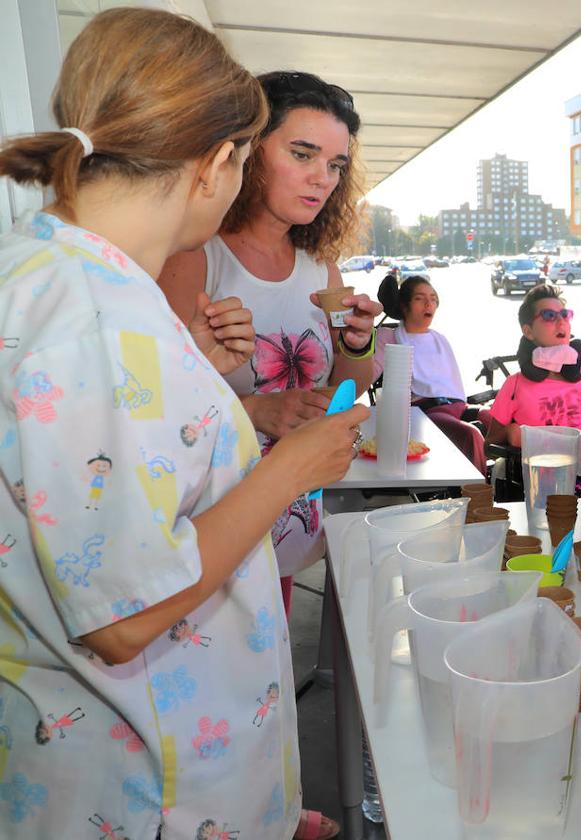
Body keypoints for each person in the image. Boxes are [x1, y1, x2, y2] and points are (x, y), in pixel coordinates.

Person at [0, 8, 366, 839]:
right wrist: (292, 467)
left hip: (117, 754)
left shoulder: (55, 266)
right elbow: (124, 616)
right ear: (219, 162)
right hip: (148, 785)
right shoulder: (100, 317)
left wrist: (189, 355)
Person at [160, 70, 381, 616]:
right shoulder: (196, 257)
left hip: (294, 506)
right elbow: (151, 399)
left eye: (335, 165)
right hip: (212, 517)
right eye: (303, 154)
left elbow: (344, 390)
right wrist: (257, 408)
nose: (322, 179)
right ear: (249, 152)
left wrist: (356, 345)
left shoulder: (320, 271)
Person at [375, 274, 490, 472]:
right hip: (424, 412)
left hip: (455, 406)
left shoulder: (439, 339)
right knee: (470, 434)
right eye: (420, 298)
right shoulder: (391, 336)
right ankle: (481, 497)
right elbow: (370, 372)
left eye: (433, 299)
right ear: (404, 305)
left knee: (496, 419)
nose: (429, 304)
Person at [486, 284, 581, 448]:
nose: (561, 321)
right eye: (549, 315)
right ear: (528, 331)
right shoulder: (514, 384)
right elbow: (488, 446)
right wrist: (510, 433)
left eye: (564, 315)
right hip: (537, 472)